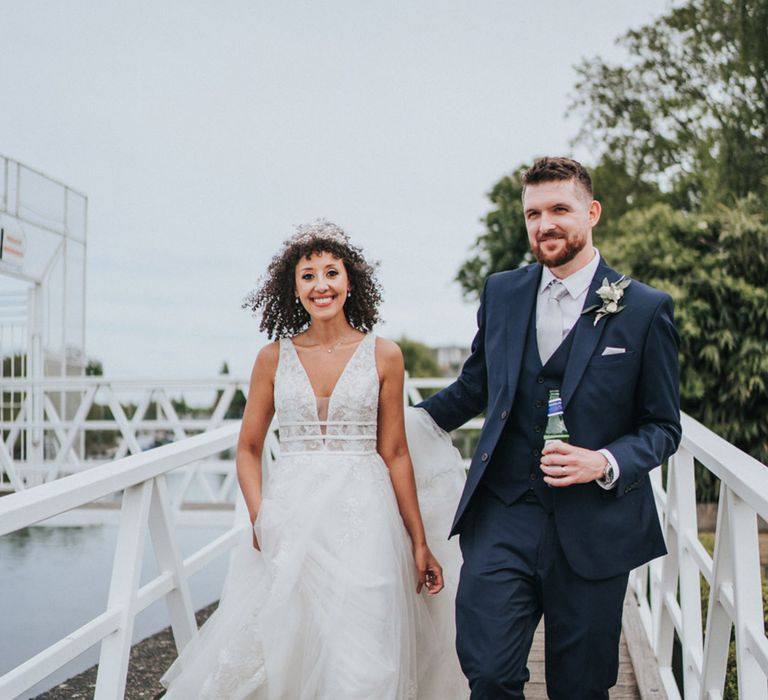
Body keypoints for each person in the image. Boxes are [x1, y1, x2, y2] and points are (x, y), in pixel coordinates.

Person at [161, 220, 468, 699]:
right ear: (294, 288)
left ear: (350, 282)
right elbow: (247, 448)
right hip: (290, 517)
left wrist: (418, 541)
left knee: (365, 654)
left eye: (331, 272)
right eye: (308, 275)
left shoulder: (385, 355)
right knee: (288, 643)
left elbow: (395, 451)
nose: (321, 284)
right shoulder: (271, 358)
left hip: (365, 519)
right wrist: (261, 518)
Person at [419, 157, 681, 699]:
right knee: (488, 672)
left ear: (592, 212)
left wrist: (602, 462)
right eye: (533, 213)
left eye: (559, 209)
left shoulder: (645, 310)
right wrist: (394, 425)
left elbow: (662, 426)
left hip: (594, 526)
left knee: (581, 688)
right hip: (503, 513)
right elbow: (474, 388)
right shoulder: (502, 292)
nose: (545, 224)